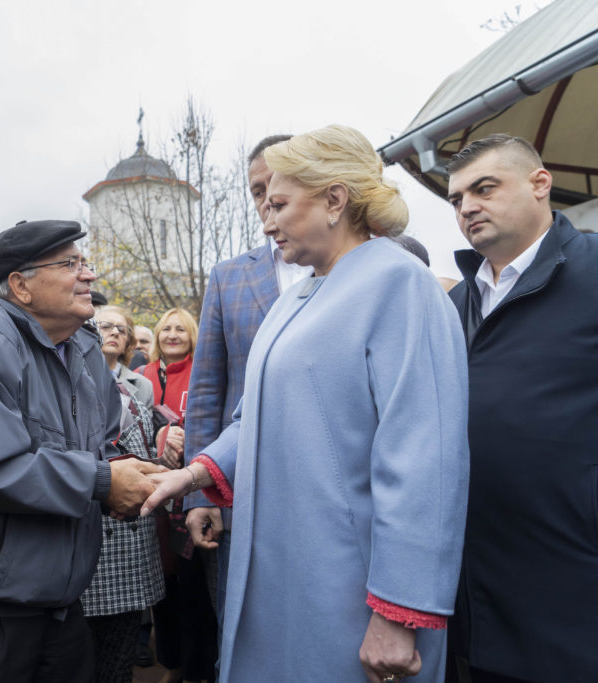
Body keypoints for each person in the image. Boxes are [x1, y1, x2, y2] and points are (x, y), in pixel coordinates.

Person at [142, 125, 470, 682]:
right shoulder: (300, 293)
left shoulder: (400, 285)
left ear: (335, 201)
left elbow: (425, 459)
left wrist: (398, 610)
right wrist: (195, 472)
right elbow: (256, 416)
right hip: (282, 568)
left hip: (350, 583)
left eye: (281, 204)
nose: (267, 221)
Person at [0, 220, 164, 683]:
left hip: (58, 605)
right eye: (69, 264)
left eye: (85, 262)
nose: (89, 275)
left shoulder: (83, 348)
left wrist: (130, 474)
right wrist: (103, 483)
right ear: (21, 286)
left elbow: (99, 447)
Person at [444, 134, 598, 681]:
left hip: (573, 592)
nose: (467, 208)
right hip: (479, 599)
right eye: (457, 199)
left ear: (540, 184)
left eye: (484, 188)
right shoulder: (453, 305)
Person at [183, 134, 307, 626]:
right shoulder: (230, 277)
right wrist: (198, 497)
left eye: (276, 188)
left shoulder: (353, 269)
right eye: (257, 191)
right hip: (240, 497)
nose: (266, 203)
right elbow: (208, 392)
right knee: (242, 640)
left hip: (333, 504)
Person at [81, 306, 165, 683]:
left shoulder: (136, 389)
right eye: (103, 327)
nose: (112, 333)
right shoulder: (68, 385)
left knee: (116, 662)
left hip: (128, 547)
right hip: (93, 544)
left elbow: (141, 456)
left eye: (120, 328)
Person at [141, 307, 218, 683]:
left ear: (192, 334)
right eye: (166, 328)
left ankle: (195, 668)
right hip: (150, 496)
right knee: (161, 585)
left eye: (180, 328)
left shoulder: (203, 373)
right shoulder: (141, 377)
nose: (172, 334)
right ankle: (170, 662)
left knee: (192, 587)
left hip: (190, 494)